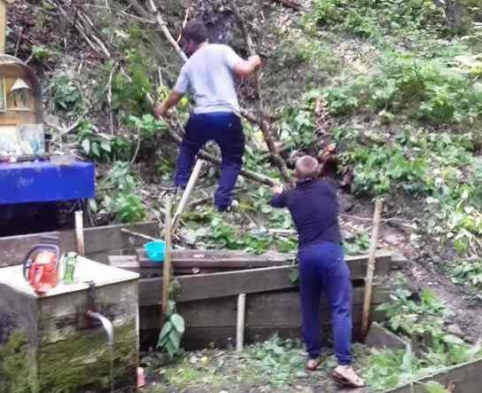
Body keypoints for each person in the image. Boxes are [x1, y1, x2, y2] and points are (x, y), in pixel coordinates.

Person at [270, 156, 365, 388]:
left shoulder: (290, 197)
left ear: (296, 175)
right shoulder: (328, 188)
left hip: (306, 255)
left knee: (310, 307)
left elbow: (276, 201)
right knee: (341, 307)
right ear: (318, 173)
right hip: (331, 253)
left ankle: (313, 356)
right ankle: (344, 364)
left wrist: (278, 191)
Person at [154, 21, 262, 212]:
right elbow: (244, 70)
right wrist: (254, 60)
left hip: (201, 117)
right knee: (232, 159)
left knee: (188, 148)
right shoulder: (222, 50)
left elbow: (176, 95)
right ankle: (222, 202)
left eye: (185, 43)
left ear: (190, 42)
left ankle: (180, 187)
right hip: (227, 115)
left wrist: (162, 107)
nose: (185, 47)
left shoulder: (190, 64)